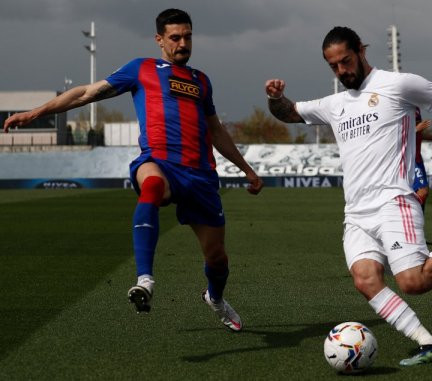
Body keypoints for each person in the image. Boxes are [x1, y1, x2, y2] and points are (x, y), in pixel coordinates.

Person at [264, 26, 432, 366]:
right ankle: (428, 342)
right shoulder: (334, 104)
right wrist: (274, 98)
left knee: (413, 282)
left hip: (394, 200)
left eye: (346, 61)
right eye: (334, 66)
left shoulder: (397, 84)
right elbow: (289, 113)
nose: (342, 71)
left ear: (360, 50)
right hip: (356, 214)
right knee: (365, 280)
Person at [4, 9, 263, 332]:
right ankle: (145, 280)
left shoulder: (201, 81)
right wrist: (35, 113)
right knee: (152, 184)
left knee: (217, 258)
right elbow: (85, 93)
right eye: (175, 37)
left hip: (200, 175)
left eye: (188, 37)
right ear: (159, 40)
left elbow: (217, 131)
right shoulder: (142, 69)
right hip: (160, 162)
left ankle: (214, 297)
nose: (183, 43)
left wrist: (247, 170)